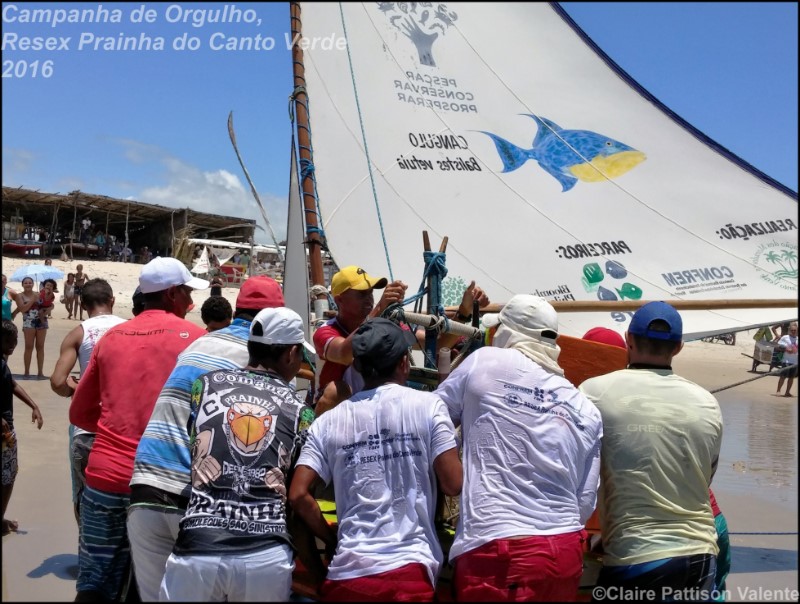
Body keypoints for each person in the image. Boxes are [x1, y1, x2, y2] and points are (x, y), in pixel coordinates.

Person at [434, 295, 602, 601]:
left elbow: (431, 417)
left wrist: (451, 473)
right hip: (563, 553)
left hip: (498, 551)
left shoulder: (486, 360)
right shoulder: (585, 407)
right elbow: (585, 502)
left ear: (507, 333)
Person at [128, 275, 285, 602]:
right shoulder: (256, 363)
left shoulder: (200, 342)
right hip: (192, 500)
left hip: (145, 485)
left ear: (237, 310)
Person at [290, 318, 463, 601]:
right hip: (409, 576)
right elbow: (453, 483)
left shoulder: (328, 421)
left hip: (346, 577)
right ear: (404, 363)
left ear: (357, 366)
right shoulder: (430, 406)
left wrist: (332, 539)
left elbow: (298, 494)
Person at [69, 257, 208, 602]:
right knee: (159, 586)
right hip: (164, 481)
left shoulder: (111, 338)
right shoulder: (197, 340)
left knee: (95, 582)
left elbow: (80, 413)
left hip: (106, 475)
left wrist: (119, 428)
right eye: (188, 292)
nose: (191, 300)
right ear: (172, 293)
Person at [159, 307, 316, 601]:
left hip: (199, 546)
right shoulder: (301, 412)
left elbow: (198, 445)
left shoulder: (205, 385)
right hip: (264, 555)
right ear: (291, 353)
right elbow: (294, 490)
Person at [579, 301, 722, 599]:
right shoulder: (707, 402)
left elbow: (575, 470)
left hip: (637, 558)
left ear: (628, 339)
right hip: (701, 554)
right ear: (678, 347)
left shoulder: (593, 392)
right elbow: (703, 480)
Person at [314, 265, 488, 410]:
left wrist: (464, 311)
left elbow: (438, 344)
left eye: (370, 293)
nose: (369, 299)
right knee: (337, 391)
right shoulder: (325, 332)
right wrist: (379, 309)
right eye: (362, 294)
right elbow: (344, 354)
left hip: (374, 406)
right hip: (341, 412)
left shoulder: (385, 326)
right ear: (339, 300)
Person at [50, 279, 126, 526]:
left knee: (83, 498)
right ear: (112, 301)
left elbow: (57, 382)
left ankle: (86, 546)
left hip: (86, 431)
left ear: (83, 305)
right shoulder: (131, 329)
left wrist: (75, 388)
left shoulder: (78, 334)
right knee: (125, 502)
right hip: (125, 431)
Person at [2, 319, 44, 535]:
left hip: (5, 428)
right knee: (8, 476)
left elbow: (12, 384)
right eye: (8, 341)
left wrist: (34, 405)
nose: (13, 345)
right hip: (3, 431)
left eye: (15, 340)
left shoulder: (3, 364)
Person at [15, 277, 55, 379]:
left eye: (30, 283)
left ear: (33, 284)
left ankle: (40, 373)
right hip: (28, 322)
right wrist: (33, 299)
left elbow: (47, 303)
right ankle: (26, 372)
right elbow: (22, 309)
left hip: (42, 322)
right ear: (22, 285)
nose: (28, 284)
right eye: (26, 283)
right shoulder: (20, 296)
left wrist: (51, 306)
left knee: (40, 347)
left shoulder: (39, 293)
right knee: (29, 347)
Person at [775, 322, 798, 397]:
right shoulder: (785, 337)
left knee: (791, 378)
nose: (793, 331)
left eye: (795, 330)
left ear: (797, 330)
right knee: (783, 376)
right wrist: (786, 349)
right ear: (789, 330)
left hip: (795, 362)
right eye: (792, 330)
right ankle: (778, 391)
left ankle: (787, 392)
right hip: (786, 361)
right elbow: (778, 346)